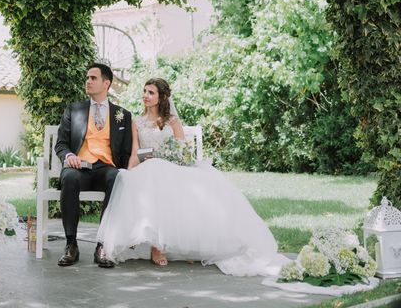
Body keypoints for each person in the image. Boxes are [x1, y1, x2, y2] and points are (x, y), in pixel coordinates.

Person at [96, 78, 289, 276]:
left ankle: (167, 246)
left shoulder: (172, 121)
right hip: (149, 167)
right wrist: (129, 170)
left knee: (179, 181)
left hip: (173, 167)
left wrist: (167, 156)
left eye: (151, 92)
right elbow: (136, 152)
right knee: (136, 177)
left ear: (161, 97)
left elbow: (183, 150)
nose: (145, 95)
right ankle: (151, 243)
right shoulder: (137, 122)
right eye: (144, 91)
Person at [54, 63, 132, 268]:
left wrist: (125, 170)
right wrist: (69, 155)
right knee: (69, 177)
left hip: (106, 167)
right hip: (80, 167)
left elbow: (125, 150)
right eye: (87, 77)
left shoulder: (122, 114)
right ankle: (71, 245)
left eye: (93, 78)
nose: (88, 81)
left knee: (118, 178)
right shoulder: (74, 109)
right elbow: (61, 143)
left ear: (106, 83)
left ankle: (102, 245)